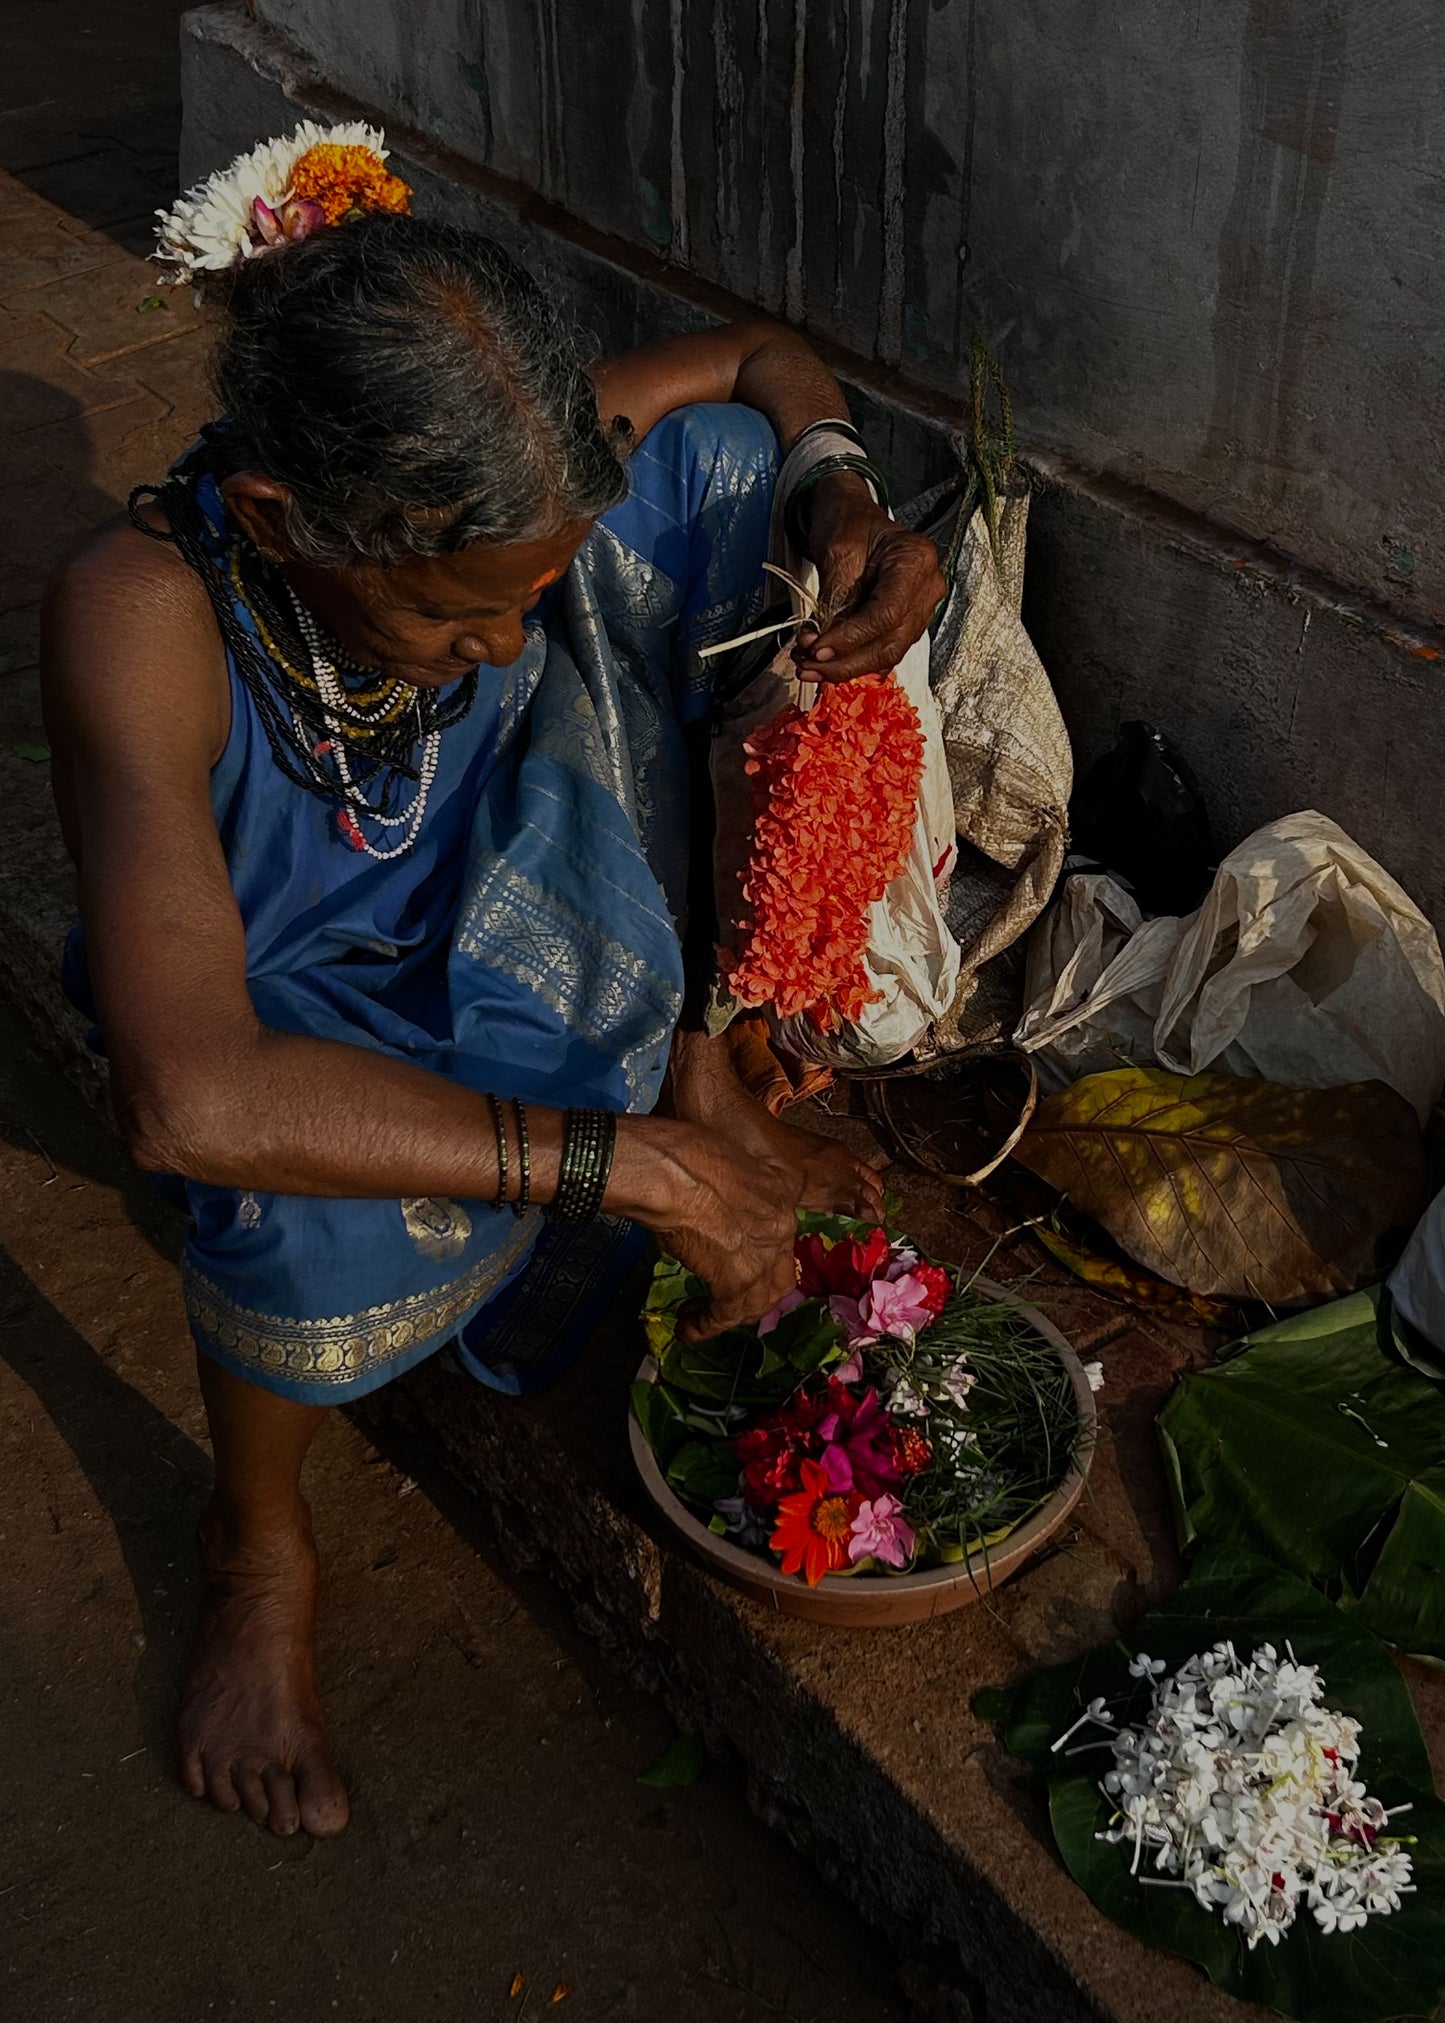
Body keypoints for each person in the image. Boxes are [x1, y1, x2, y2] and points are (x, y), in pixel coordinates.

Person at [41, 208, 943, 1839]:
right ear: (280, 517)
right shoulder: (143, 613)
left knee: (725, 468)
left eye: (522, 597)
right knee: (281, 1202)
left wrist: (838, 491)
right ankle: (256, 1541)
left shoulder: (500, 475)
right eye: (457, 616)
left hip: (500, 855)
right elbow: (187, 1094)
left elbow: (753, 363)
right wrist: (636, 1174)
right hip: (285, 1006)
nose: (504, 642)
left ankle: (695, 1066)